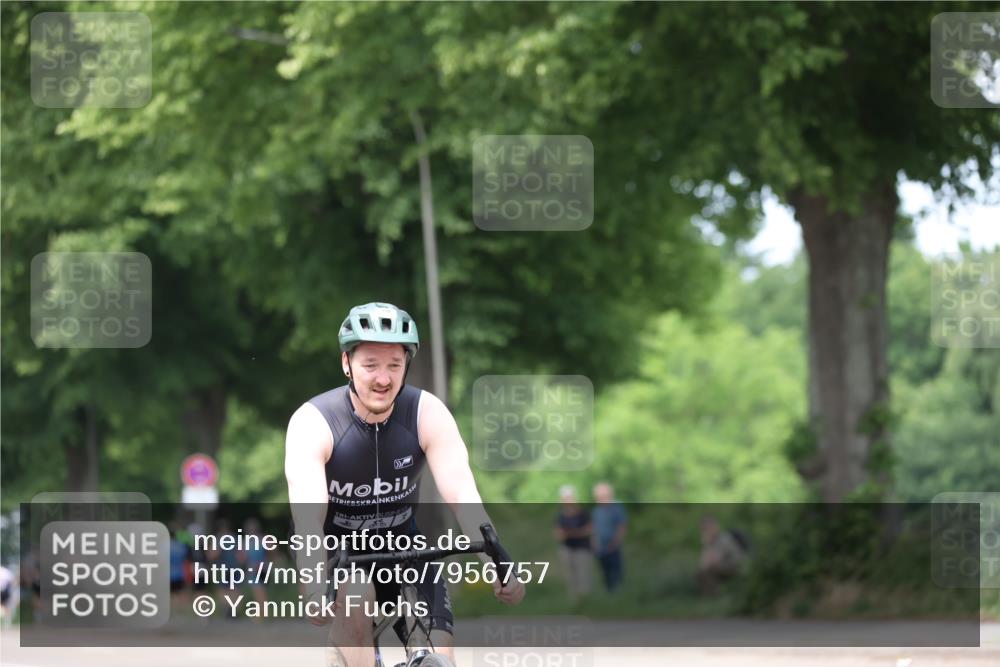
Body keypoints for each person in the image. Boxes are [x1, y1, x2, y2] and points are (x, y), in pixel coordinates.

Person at [284, 302, 525, 667]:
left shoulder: (427, 413)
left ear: (406, 366)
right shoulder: (314, 422)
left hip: (404, 546)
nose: (383, 379)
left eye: (394, 365)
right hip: (336, 552)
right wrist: (315, 582)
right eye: (371, 365)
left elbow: (462, 495)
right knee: (356, 595)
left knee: (438, 659)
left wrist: (497, 561)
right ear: (346, 363)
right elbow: (308, 520)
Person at [554, 485, 592, 602]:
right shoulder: (560, 515)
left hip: (582, 548)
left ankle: (586, 600)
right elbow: (558, 534)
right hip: (567, 549)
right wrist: (577, 532)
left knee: (583, 574)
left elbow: (589, 530)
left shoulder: (583, 513)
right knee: (569, 576)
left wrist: (571, 533)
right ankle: (574, 600)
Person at [697, 516, 750, 595]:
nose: (706, 532)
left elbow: (714, 560)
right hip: (724, 566)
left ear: (715, 527)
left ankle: (713, 593)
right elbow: (703, 564)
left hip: (734, 567)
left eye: (707, 528)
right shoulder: (712, 541)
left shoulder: (724, 539)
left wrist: (708, 545)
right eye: (704, 530)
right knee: (700, 573)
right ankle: (710, 593)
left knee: (708, 570)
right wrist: (707, 545)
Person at [591, 482, 626, 593]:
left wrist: (615, 542)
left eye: (601, 496)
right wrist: (594, 542)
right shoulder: (597, 510)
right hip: (601, 547)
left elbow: (621, 526)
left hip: (613, 546)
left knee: (616, 572)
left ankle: (620, 593)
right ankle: (610, 593)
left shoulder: (616, 507)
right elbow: (595, 528)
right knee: (606, 573)